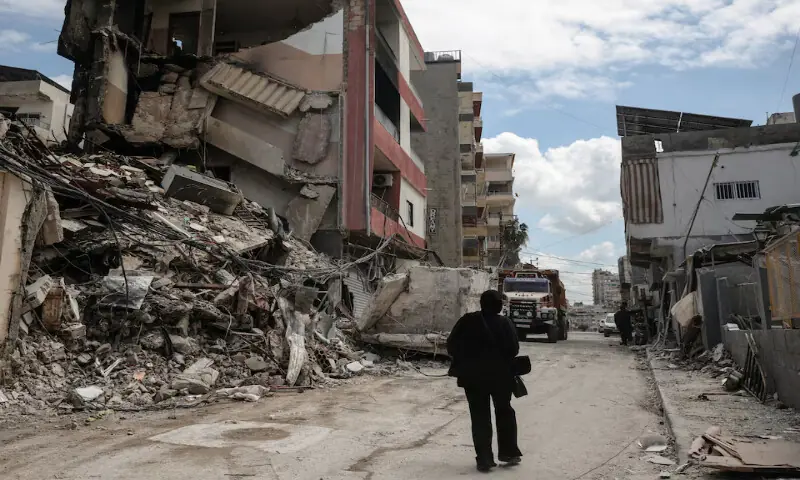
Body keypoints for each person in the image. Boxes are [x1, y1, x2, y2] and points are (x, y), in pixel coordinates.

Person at [447, 290, 523, 473]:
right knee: (504, 412)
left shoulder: (467, 321)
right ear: (499, 306)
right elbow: (514, 349)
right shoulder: (505, 323)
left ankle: (484, 459)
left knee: (479, 416)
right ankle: (509, 453)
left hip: (473, 378)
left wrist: (467, 359)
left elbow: (451, 345)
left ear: (481, 304)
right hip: (501, 377)